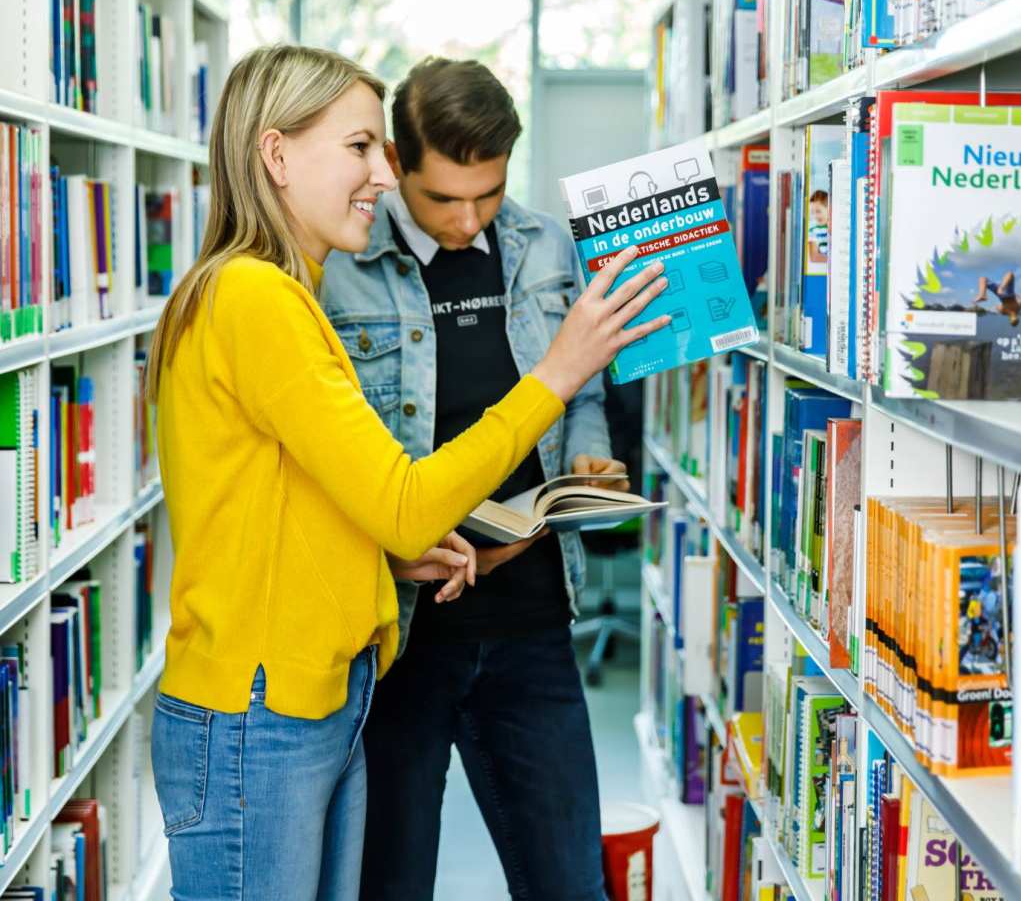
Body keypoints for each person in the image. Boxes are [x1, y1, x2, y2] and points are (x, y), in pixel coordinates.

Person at [146, 44, 670, 901]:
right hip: (264, 707)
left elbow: (294, 505)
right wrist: (557, 374)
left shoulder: (271, 291)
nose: (378, 176)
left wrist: (389, 560)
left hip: (315, 691)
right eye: (359, 149)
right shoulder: (263, 298)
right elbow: (395, 498)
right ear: (276, 156)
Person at [320, 57, 623, 901]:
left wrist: (589, 455)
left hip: (531, 625)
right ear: (395, 164)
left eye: (486, 195)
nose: (466, 221)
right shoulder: (336, 267)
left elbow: (581, 390)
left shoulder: (544, 247)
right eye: (442, 198)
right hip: (399, 635)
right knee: (391, 882)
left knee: (570, 885)